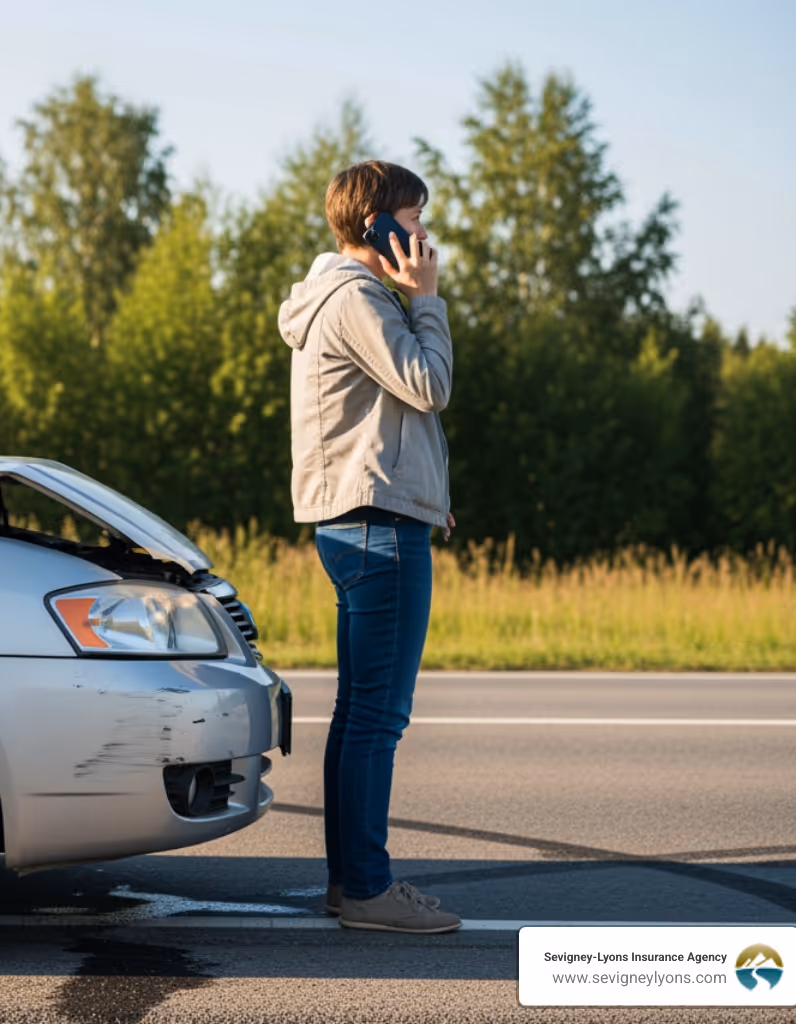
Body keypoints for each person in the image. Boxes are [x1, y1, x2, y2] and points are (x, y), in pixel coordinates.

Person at [277, 160, 460, 934]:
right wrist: (430, 300)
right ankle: (367, 890)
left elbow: (387, 418)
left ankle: (351, 883)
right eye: (414, 223)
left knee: (360, 715)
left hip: (372, 519)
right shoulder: (358, 299)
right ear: (378, 226)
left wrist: (428, 494)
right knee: (377, 718)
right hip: (375, 527)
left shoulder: (348, 299)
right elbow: (429, 385)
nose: (424, 240)